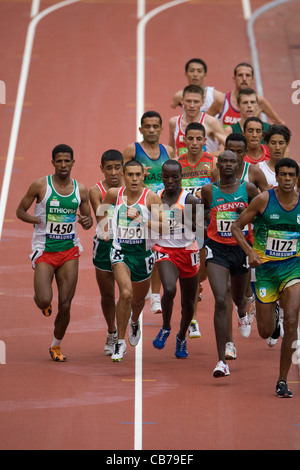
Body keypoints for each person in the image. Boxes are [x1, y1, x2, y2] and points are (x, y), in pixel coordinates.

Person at [16, 144, 93, 362]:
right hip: (45, 251)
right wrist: (35, 219)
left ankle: (56, 346)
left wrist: (87, 221)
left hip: (69, 251)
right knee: (43, 299)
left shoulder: (81, 189)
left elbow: (87, 221)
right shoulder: (41, 185)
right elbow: (19, 211)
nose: (63, 165)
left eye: (67, 161)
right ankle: (45, 304)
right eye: (59, 161)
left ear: (73, 163)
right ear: (53, 163)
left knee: (66, 304)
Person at [232, 158, 300, 398]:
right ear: (277, 177)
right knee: (264, 331)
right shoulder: (264, 200)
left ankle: (282, 380)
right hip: (266, 270)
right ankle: (272, 314)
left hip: (293, 268)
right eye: (283, 175)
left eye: (292, 175)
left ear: (297, 178)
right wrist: (250, 251)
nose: (288, 179)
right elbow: (236, 227)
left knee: (292, 321)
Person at [99, 160, 167, 363]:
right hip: (120, 252)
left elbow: (163, 227)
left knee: (137, 301)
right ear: (123, 175)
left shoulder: (151, 198)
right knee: (126, 294)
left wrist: (140, 220)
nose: (134, 179)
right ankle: (120, 342)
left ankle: (135, 320)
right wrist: (104, 228)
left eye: (138, 175)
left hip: (143, 255)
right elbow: (102, 210)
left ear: (143, 176)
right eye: (130, 175)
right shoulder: (114, 194)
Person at [201, 151, 258, 377]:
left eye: (232, 161)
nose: (227, 164)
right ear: (217, 164)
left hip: (241, 249)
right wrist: (205, 218)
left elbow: (261, 215)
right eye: (223, 161)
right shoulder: (209, 190)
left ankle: (243, 310)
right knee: (221, 299)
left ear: (238, 165)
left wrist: (247, 214)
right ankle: (221, 359)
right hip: (218, 249)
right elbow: (201, 213)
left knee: (237, 299)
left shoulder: (249, 189)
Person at [123, 110, 174, 314]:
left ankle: (154, 296)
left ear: (161, 129)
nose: (151, 130)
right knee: (142, 249)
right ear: (140, 129)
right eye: (147, 126)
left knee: (160, 248)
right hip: (141, 205)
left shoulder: (168, 150)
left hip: (163, 206)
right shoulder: (132, 150)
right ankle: (141, 282)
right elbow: (125, 176)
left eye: (155, 126)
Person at [152, 160, 202, 358]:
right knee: (170, 289)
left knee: (188, 302)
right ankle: (165, 327)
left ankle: (181, 337)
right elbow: (150, 223)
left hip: (188, 250)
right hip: (165, 250)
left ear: (181, 176)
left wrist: (184, 220)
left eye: (175, 176)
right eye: (166, 176)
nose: (170, 180)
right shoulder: (155, 198)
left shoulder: (189, 200)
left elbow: (199, 232)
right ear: (161, 177)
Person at [178, 122, 219, 337]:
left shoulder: (213, 163)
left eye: (198, 139)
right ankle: (192, 318)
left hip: (205, 224)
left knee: (200, 272)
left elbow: (220, 193)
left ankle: (196, 291)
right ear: (184, 140)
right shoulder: (177, 164)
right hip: (182, 224)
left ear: (205, 141)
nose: (194, 143)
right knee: (190, 272)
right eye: (190, 139)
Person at [89, 149, 124, 356]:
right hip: (104, 245)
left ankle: (127, 324)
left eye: (117, 167)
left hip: (128, 245)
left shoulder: (133, 187)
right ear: (102, 169)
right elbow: (102, 220)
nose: (113, 172)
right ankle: (112, 331)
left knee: (128, 293)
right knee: (108, 294)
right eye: (108, 168)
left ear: (123, 168)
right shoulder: (96, 190)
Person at [206, 62, 285, 128]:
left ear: (252, 79)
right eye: (240, 75)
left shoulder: (260, 101)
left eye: (248, 75)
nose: (244, 79)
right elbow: (202, 121)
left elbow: (280, 123)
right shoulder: (222, 100)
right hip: (226, 146)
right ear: (234, 79)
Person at [169, 85, 226, 157]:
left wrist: (209, 155)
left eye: (196, 102)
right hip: (182, 167)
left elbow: (230, 147)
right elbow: (171, 149)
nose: (192, 105)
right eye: (188, 101)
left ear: (202, 102)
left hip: (205, 167)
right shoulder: (174, 122)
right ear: (182, 101)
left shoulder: (211, 122)